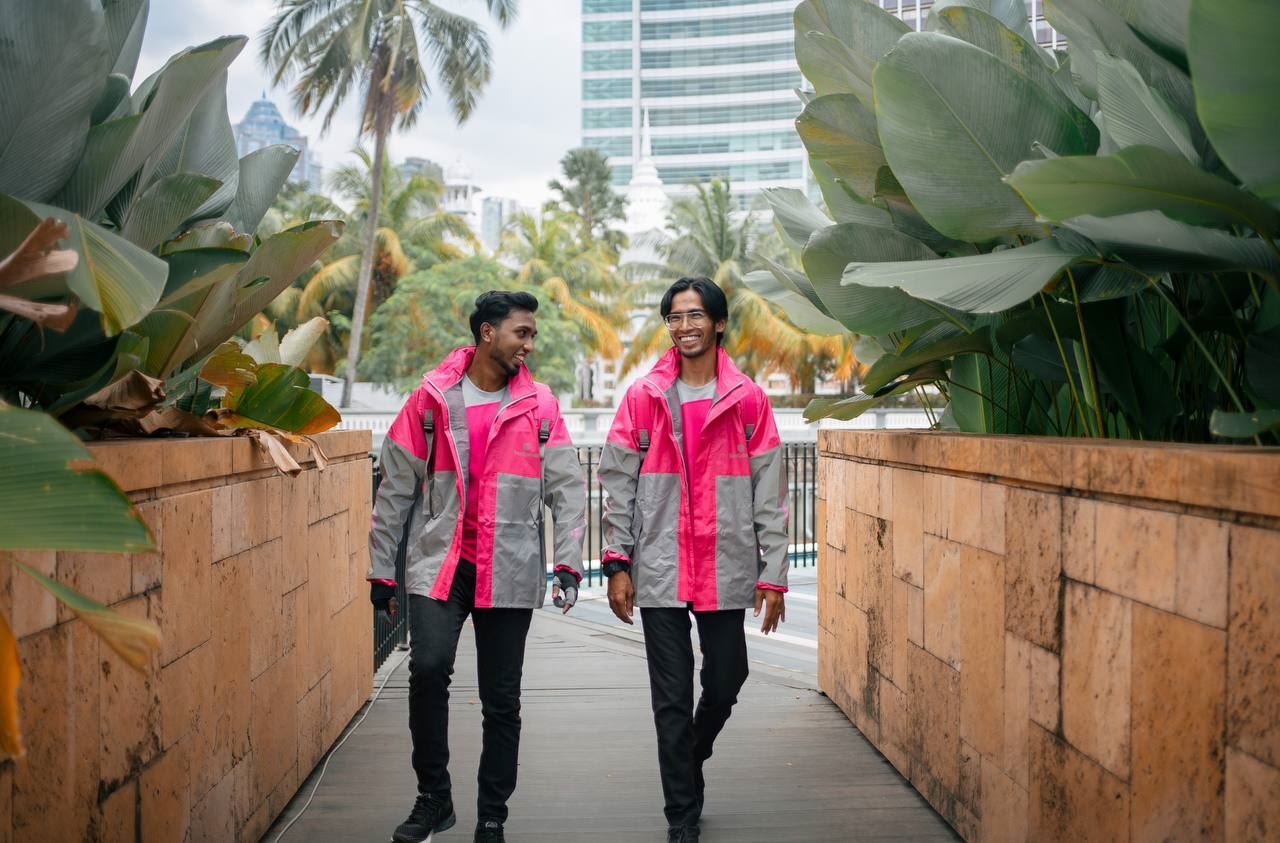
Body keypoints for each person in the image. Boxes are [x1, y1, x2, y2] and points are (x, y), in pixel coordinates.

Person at [368, 291, 587, 843]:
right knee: (427, 670)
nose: (529, 344)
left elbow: (567, 488)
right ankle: (433, 798)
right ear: (487, 333)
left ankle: (493, 813)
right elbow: (394, 487)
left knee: (501, 699)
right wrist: (382, 571)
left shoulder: (540, 404)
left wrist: (567, 563)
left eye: (532, 334)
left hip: (509, 565)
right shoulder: (432, 398)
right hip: (441, 564)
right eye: (522, 332)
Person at [598, 277, 790, 843]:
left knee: (729, 676)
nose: (685, 326)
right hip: (659, 566)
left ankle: (691, 757)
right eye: (676, 317)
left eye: (696, 315)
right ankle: (681, 816)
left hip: (724, 563)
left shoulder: (748, 398)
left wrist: (772, 576)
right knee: (671, 697)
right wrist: (617, 563)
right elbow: (618, 484)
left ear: (719, 323)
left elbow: (769, 493)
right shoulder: (643, 396)